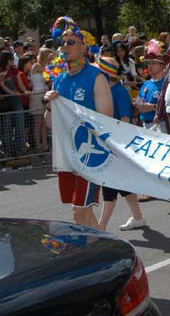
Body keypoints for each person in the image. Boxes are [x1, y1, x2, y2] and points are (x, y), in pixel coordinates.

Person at [44, 24, 114, 228]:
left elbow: (106, 119)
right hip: (67, 154)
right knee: (79, 212)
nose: (65, 47)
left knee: (80, 209)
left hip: (90, 154)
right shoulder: (59, 80)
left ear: (84, 47)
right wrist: (49, 106)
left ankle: (98, 250)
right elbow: (50, 124)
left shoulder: (96, 76)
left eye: (71, 42)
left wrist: (83, 158)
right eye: (63, 43)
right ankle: (103, 245)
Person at [93, 57, 148, 232]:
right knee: (124, 187)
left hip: (115, 145)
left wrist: (117, 144)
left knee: (109, 187)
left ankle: (101, 227)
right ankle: (138, 218)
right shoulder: (103, 91)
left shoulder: (120, 92)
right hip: (105, 143)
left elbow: (124, 119)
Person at [135, 51, 166, 130]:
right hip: (145, 125)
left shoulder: (167, 83)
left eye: (153, 63)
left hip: (160, 124)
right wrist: (137, 103)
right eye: (148, 63)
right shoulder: (146, 83)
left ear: (162, 66)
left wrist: (154, 107)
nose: (150, 66)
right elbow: (139, 99)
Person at [30, 48, 53, 153]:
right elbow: (46, 78)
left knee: (44, 123)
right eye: (50, 56)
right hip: (37, 96)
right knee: (38, 122)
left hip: (44, 94)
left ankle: (45, 144)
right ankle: (38, 145)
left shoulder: (45, 67)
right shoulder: (37, 66)